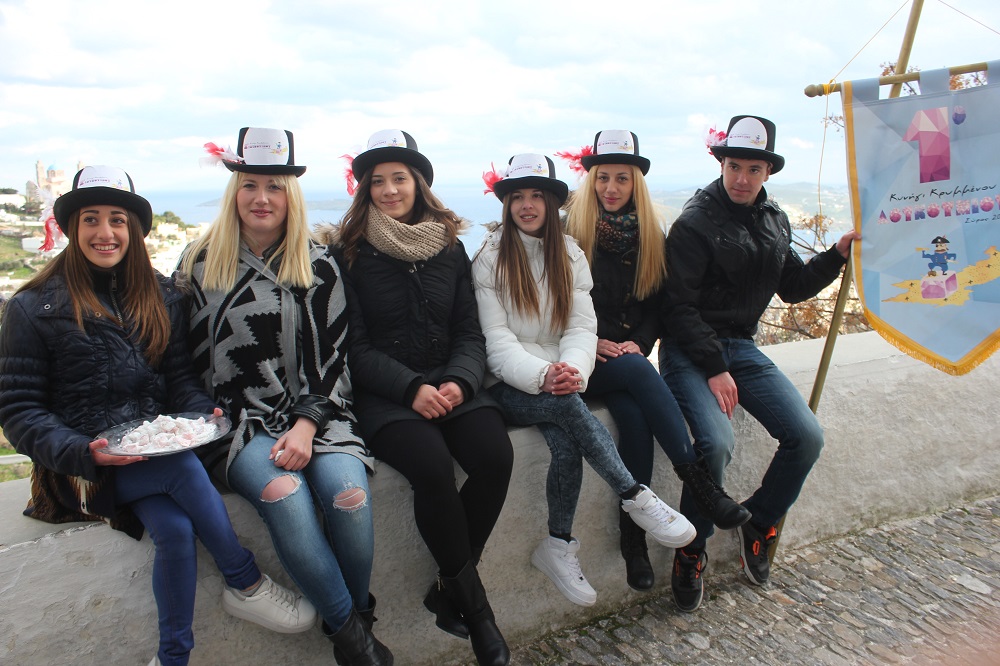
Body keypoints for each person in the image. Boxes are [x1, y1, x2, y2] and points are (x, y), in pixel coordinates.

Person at [0, 165, 317, 666]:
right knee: (182, 468)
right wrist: (83, 452)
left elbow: (178, 379)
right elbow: (19, 409)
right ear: (72, 228)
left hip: (148, 459)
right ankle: (245, 580)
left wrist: (200, 415)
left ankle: (173, 657)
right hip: (78, 470)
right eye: (90, 219)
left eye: (117, 220)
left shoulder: (161, 296)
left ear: (134, 229)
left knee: (174, 530)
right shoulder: (33, 307)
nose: (105, 232)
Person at [178, 128, 391, 666]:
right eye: (250, 185)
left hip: (320, 412)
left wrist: (306, 423)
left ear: (290, 194)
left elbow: (335, 355)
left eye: (274, 186)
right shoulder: (198, 262)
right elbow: (178, 353)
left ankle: (355, 622)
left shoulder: (318, 264)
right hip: (235, 421)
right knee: (283, 494)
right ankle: (356, 640)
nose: (262, 198)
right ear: (234, 191)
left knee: (349, 497)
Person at [472, 153, 696, 609]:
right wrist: (543, 375)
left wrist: (572, 369)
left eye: (538, 196)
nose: (528, 205)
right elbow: (496, 340)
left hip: (558, 377)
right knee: (565, 406)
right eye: (518, 197)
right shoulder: (490, 258)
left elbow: (580, 327)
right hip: (507, 383)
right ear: (507, 204)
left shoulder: (570, 254)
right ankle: (634, 495)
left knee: (565, 441)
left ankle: (557, 544)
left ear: (553, 203)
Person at [326, 130, 512, 666]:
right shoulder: (348, 253)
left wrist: (461, 381)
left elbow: (468, 330)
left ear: (419, 184)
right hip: (387, 394)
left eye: (399, 179)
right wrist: (411, 388)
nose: (389, 190)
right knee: (432, 467)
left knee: (495, 456)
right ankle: (477, 612)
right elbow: (353, 346)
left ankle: (449, 589)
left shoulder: (449, 247)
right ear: (365, 189)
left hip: (452, 383)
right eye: (377, 181)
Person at [658, 115, 860, 611]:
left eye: (753, 168)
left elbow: (792, 287)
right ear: (721, 165)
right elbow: (676, 308)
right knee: (716, 443)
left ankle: (759, 521)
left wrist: (836, 254)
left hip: (742, 349)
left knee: (806, 436)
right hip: (690, 351)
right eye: (734, 166)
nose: (742, 178)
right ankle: (692, 548)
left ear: (768, 172)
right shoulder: (693, 223)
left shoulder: (774, 219)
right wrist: (713, 366)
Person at [564, 131, 751, 595]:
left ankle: (633, 542)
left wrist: (639, 341)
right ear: (591, 181)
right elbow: (554, 303)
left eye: (621, 179)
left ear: (636, 183)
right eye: (603, 178)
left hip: (623, 359)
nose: (611, 188)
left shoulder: (650, 234)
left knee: (634, 420)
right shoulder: (570, 232)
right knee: (637, 373)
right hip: (576, 355)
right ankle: (702, 485)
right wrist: (593, 340)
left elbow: (656, 303)